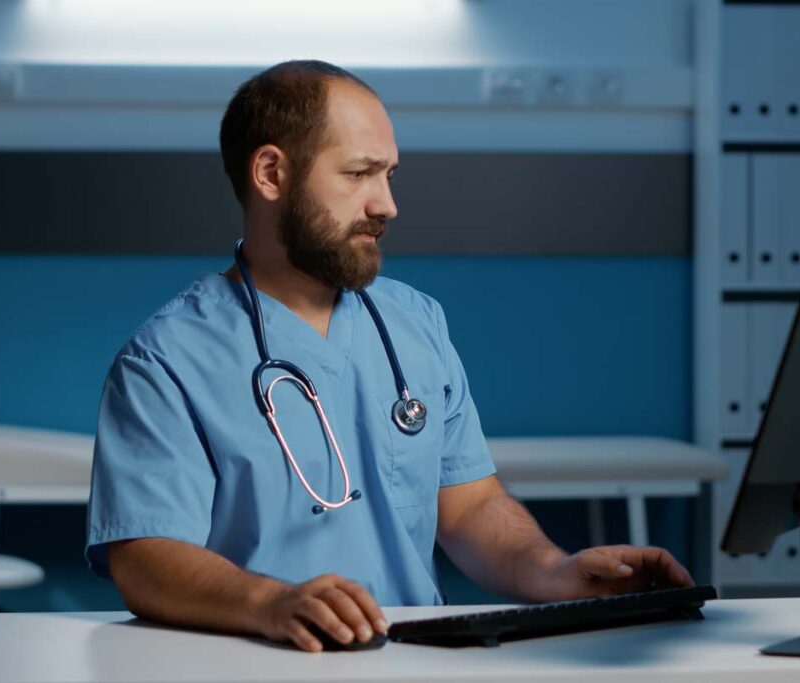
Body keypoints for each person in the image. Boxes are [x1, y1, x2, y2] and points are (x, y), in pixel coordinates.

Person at [85, 60, 693, 653]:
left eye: (389, 175)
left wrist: (554, 572)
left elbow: (469, 506)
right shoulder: (166, 359)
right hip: (266, 660)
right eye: (358, 174)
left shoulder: (414, 321)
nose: (386, 205)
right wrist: (269, 603)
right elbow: (144, 556)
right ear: (271, 174)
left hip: (415, 656)